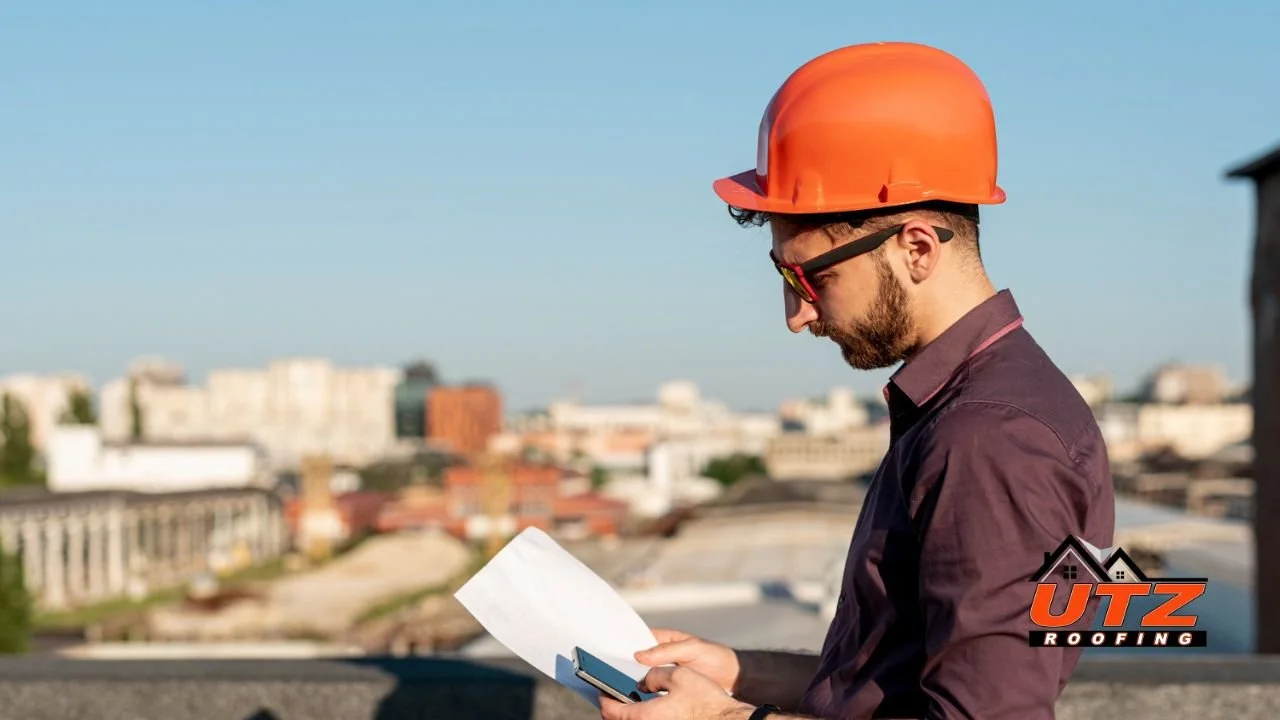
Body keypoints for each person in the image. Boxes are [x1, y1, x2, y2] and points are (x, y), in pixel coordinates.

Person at [599, 41, 1117, 720]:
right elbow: (894, 685)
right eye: (783, 276)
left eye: (811, 276)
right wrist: (740, 672)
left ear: (917, 248)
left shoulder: (990, 439)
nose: (796, 314)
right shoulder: (968, 408)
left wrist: (724, 718)